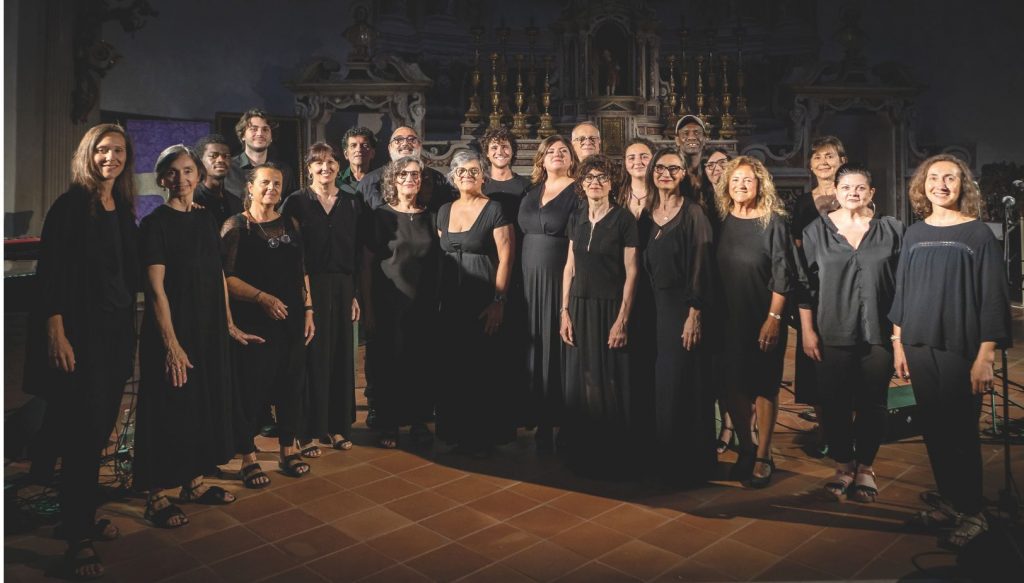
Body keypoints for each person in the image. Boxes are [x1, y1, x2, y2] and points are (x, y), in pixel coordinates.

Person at [23, 123, 140, 579]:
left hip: (114, 335)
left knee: (98, 432)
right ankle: (77, 537)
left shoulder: (121, 206)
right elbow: (49, 275)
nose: (111, 157)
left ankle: (80, 518)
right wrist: (56, 330)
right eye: (103, 150)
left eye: (119, 151)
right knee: (81, 435)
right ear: (88, 154)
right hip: (79, 336)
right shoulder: (70, 207)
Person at [134, 145, 263, 529]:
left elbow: (218, 277)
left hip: (207, 328)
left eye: (188, 170)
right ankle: (156, 495)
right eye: (173, 173)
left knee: (200, 403)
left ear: (197, 174)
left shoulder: (207, 219)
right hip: (173, 328)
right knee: (168, 407)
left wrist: (227, 323)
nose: (182, 179)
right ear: (162, 180)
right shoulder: (154, 224)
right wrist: (170, 344)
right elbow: (156, 289)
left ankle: (193, 482)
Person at [891, 154, 1011, 548]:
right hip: (918, 343)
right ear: (922, 184)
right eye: (934, 177)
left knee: (961, 431)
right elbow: (902, 292)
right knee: (935, 429)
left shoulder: (978, 235)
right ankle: (949, 503)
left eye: (951, 178)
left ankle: (973, 512)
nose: (941, 184)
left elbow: (993, 298)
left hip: (961, 347)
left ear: (964, 186)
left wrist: (985, 356)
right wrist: (898, 344)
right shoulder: (913, 233)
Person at [797, 163, 904, 503]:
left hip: (880, 332)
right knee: (834, 404)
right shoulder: (817, 231)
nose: (854, 193)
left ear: (871, 193)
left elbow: (903, 287)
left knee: (874, 403)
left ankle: (866, 469)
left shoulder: (892, 230)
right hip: (832, 330)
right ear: (837, 193)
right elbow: (804, 286)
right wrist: (807, 332)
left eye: (860, 188)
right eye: (847, 188)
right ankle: (843, 465)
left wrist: (899, 340)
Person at [222, 164, 315, 487]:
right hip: (254, 319)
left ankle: (288, 450)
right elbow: (225, 279)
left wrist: (309, 309)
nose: (272, 188)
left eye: (277, 183)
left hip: (290, 318)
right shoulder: (237, 226)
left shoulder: (289, 222)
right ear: (249, 187)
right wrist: (261, 297)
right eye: (265, 183)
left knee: (292, 384)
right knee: (252, 389)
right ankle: (248, 457)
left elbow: (301, 269)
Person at [713, 156, 796, 488]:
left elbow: (783, 275)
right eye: (735, 180)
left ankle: (763, 454)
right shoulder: (721, 220)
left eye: (748, 180)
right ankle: (745, 447)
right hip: (727, 318)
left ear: (760, 184)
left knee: (764, 385)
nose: (741, 185)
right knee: (733, 385)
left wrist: (773, 319)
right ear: (727, 186)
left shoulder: (773, 222)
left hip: (761, 316)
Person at [281, 143, 363, 456]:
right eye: (318, 163)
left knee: (340, 356)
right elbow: (291, 252)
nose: (325, 168)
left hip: (343, 286)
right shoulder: (296, 202)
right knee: (310, 357)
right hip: (308, 284)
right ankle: (306, 431)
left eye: (330, 162)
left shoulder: (351, 202)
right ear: (309, 168)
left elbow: (355, 251)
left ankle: (337, 426)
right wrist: (304, 300)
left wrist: (354, 293)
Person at [560, 154, 639, 477]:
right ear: (581, 184)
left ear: (611, 183)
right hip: (579, 305)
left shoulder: (624, 220)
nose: (595, 182)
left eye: (601, 177)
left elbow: (632, 272)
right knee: (584, 377)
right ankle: (585, 448)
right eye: (589, 177)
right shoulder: (576, 218)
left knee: (610, 379)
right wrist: (564, 311)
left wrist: (622, 319)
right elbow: (569, 267)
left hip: (609, 307)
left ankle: (613, 452)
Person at [643, 147, 716, 486]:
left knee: (682, 385)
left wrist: (695, 313)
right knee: (659, 386)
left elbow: (702, 266)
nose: (665, 174)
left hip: (682, 308)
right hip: (653, 308)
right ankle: (662, 459)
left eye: (673, 169)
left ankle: (688, 465)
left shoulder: (694, 214)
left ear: (684, 175)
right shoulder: (646, 213)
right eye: (660, 168)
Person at [436, 150, 515, 456]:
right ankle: (457, 431)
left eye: (473, 170)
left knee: (482, 367)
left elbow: (507, 257)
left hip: (482, 296)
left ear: (483, 176)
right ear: (453, 178)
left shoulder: (494, 209)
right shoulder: (443, 211)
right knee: (455, 367)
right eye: (461, 171)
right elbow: (445, 251)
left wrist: (499, 300)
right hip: (451, 300)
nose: (466, 175)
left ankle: (484, 435)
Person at [361, 156, 441, 448]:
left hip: (422, 304)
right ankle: (389, 424)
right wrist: (368, 307)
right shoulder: (380, 215)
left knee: (420, 363)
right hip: (387, 304)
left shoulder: (430, 216)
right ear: (393, 180)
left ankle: (419, 422)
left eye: (416, 175)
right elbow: (367, 265)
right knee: (388, 365)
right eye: (404, 174)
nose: (411, 179)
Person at [518, 135, 579, 450]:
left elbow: (575, 244)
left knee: (558, 344)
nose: (557, 154)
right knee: (534, 343)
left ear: (571, 160)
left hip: (558, 276)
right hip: (528, 279)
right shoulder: (531, 191)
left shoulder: (578, 192)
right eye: (551, 151)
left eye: (563, 151)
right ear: (541, 159)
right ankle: (538, 414)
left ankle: (562, 416)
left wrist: (566, 296)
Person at [792, 136, 849, 457]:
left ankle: (848, 429)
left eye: (830, 156)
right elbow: (797, 247)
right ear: (810, 165)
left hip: (846, 289)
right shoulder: (802, 203)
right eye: (817, 158)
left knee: (846, 359)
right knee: (815, 362)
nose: (824, 162)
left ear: (842, 160)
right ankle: (826, 430)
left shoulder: (854, 195)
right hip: (813, 291)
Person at [480, 127, 532, 426]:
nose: (500, 152)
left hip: (518, 265)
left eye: (505, 147)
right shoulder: (480, 184)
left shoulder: (525, 186)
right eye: (494, 148)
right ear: (487, 153)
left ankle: (515, 405)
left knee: (514, 336)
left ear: (513, 151)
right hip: (486, 264)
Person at [617, 138, 658, 451]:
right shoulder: (618, 193)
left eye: (644, 155)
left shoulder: (661, 191)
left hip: (656, 280)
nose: (638, 161)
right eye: (632, 156)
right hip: (623, 277)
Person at [701, 146, 735, 453]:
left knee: (734, 363)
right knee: (713, 363)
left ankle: (734, 424)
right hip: (708, 288)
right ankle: (722, 423)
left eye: (722, 163)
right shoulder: (700, 201)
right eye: (710, 164)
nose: (715, 168)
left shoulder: (738, 199)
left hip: (735, 290)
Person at [356, 125, 456, 211]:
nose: (405, 143)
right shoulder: (369, 182)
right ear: (389, 148)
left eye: (411, 139)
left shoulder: (438, 180)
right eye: (398, 140)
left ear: (420, 146)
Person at [224, 108, 297, 198]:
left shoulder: (284, 171)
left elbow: (290, 207)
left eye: (265, 129)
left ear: (271, 137)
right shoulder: (228, 168)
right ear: (243, 135)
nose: (260, 134)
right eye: (253, 129)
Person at [193, 134, 243, 227]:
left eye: (226, 156)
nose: (221, 160)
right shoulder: (190, 199)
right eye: (213, 156)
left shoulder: (236, 202)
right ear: (200, 161)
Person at [674, 114, 709, 202]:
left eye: (697, 132)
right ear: (677, 140)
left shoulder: (711, 169)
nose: (692, 137)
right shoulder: (671, 170)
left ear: (704, 139)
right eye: (685, 133)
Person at [337, 126, 377, 197]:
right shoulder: (336, 181)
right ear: (346, 154)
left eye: (364, 145)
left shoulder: (383, 181)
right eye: (353, 146)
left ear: (372, 153)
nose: (359, 149)